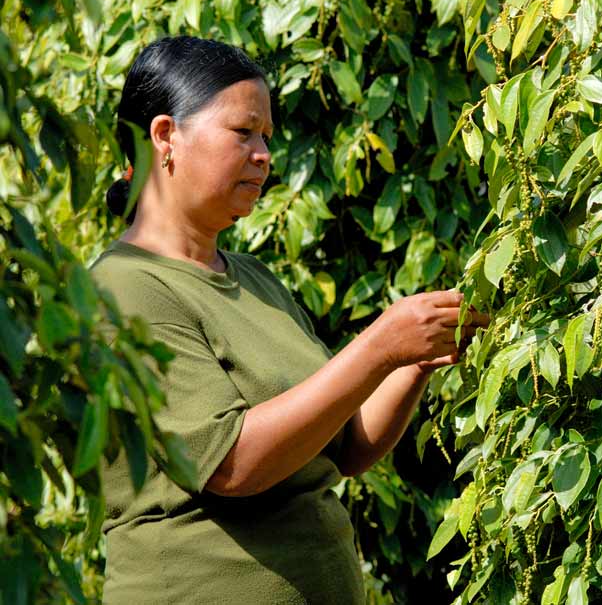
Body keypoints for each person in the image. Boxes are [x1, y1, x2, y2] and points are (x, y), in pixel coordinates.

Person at [90, 36, 489, 604]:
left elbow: (347, 445)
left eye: (267, 137)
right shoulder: (125, 288)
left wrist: (414, 358)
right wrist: (378, 346)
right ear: (164, 136)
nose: (263, 154)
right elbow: (232, 464)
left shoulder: (254, 278)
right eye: (242, 132)